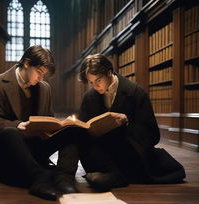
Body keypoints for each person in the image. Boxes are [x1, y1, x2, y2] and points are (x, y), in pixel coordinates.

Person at [0, 45, 78, 200]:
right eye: (39, 72)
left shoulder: (44, 88)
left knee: (73, 131)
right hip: (8, 151)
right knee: (10, 132)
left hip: (35, 146)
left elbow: (48, 119)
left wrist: (56, 128)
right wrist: (20, 125)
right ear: (26, 63)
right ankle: (40, 178)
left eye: (44, 75)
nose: (41, 78)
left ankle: (64, 177)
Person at [60, 53, 186, 191]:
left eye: (98, 80)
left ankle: (113, 176)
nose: (95, 86)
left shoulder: (136, 93)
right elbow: (84, 128)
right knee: (73, 134)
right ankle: (68, 177)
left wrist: (126, 123)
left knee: (122, 154)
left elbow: (153, 136)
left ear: (109, 72)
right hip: (100, 154)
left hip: (126, 154)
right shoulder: (89, 97)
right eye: (91, 82)